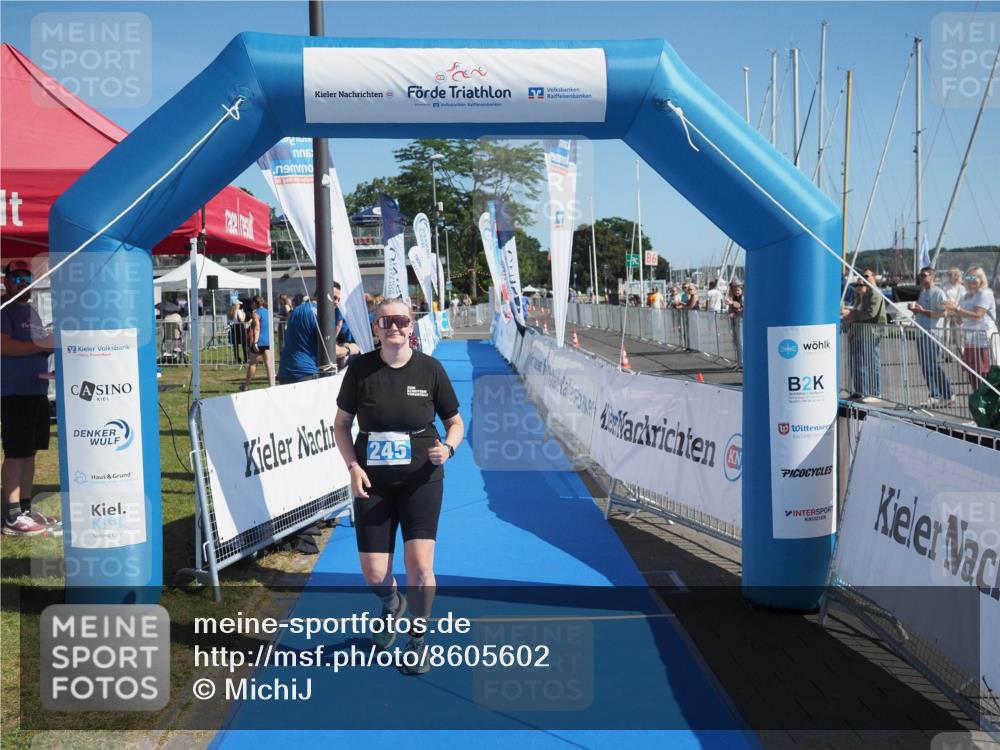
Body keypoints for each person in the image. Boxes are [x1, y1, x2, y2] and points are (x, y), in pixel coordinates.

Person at [333, 298, 464, 675]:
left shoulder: (430, 370)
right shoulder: (360, 370)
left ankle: (418, 640)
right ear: (375, 328)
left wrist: (449, 448)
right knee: (375, 575)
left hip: (422, 476)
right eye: (385, 321)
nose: (393, 327)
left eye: (401, 321)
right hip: (372, 480)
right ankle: (392, 604)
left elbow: (455, 422)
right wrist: (353, 467)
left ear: (411, 327)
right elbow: (341, 424)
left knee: (420, 567)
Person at [1, 260, 59, 536]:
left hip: (36, 390)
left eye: (28, 278)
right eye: (18, 279)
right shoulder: (5, 309)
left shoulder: (30, 310)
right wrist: (41, 345)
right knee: (16, 452)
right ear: (7, 281)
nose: (24, 284)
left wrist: (50, 346)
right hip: (14, 391)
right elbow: (5, 346)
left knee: (30, 452)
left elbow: (35, 345)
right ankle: (12, 516)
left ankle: (24, 508)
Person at [277, 289, 360, 385]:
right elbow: (330, 351)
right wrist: (350, 349)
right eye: (334, 297)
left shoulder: (297, 310)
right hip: (306, 373)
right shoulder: (323, 315)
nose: (336, 302)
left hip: (286, 371)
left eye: (338, 299)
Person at [944, 266, 998, 388]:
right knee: (972, 373)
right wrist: (952, 312)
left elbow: (978, 315)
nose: (971, 280)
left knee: (984, 373)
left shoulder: (985, 293)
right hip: (970, 340)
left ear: (981, 279)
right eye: (968, 277)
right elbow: (960, 320)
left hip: (984, 340)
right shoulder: (965, 296)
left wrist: (957, 309)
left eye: (974, 277)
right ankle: (978, 401)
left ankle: (989, 402)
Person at [908, 266, 954, 407]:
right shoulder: (923, 292)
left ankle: (946, 393)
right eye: (920, 276)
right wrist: (915, 310)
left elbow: (943, 313)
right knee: (926, 366)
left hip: (932, 333)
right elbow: (921, 311)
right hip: (921, 332)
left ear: (932, 277)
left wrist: (923, 311)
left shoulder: (939, 293)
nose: (921, 278)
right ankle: (935, 394)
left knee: (933, 365)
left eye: (924, 275)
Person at [842, 273, 886, 402]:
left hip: (870, 333)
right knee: (857, 363)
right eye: (857, 284)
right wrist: (850, 328)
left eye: (862, 284)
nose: (860, 286)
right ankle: (859, 391)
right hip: (857, 334)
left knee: (871, 363)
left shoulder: (874, 295)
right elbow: (854, 317)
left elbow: (869, 314)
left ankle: (874, 392)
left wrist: (852, 314)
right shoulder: (858, 299)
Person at [241, 295, 273, 391]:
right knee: (268, 363)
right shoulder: (268, 312)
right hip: (268, 340)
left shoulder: (256, 313)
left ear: (255, 303)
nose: (251, 304)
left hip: (259, 341)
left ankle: (246, 385)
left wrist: (255, 342)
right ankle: (272, 384)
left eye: (252, 303)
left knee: (253, 363)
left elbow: (257, 328)